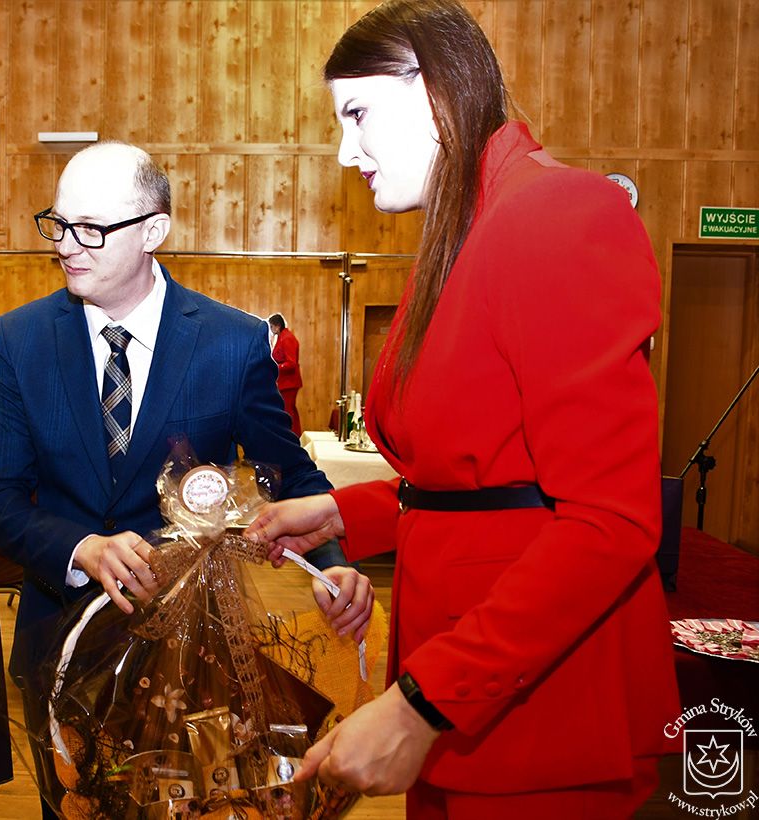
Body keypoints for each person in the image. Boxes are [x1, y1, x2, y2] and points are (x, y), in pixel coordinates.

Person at [243, 2, 679, 815]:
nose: (345, 152)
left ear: (438, 90)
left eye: (357, 114)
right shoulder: (467, 230)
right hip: (464, 679)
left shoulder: (557, 214)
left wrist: (423, 703)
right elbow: (485, 482)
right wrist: (338, 513)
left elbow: (609, 520)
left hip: (534, 705)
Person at [0, 142, 370, 817]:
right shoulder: (21, 339)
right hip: (59, 642)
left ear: (153, 230)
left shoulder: (231, 342)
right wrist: (81, 549)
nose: (65, 245)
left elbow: (290, 476)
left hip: (193, 652)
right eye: (58, 224)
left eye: (90, 228)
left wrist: (333, 567)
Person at [268, 312, 303, 435]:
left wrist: (275, 367)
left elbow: (291, 363)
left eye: (272, 326)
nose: (271, 330)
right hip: (285, 382)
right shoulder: (282, 337)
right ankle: (294, 436)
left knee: (288, 412)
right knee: (289, 410)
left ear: (277, 326)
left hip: (289, 383)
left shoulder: (287, 338)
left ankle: (291, 436)